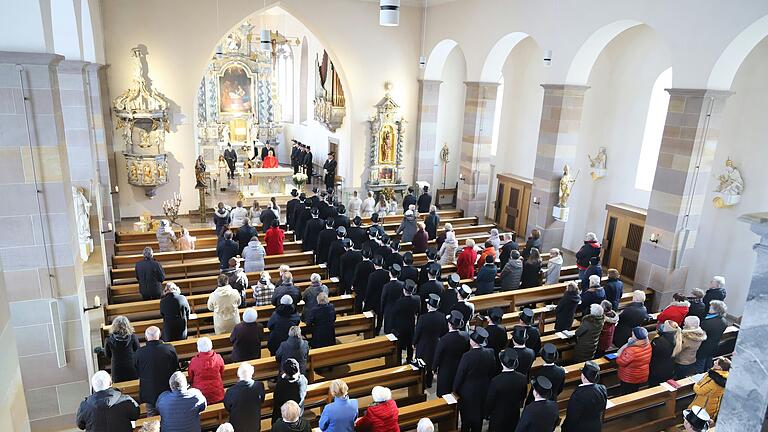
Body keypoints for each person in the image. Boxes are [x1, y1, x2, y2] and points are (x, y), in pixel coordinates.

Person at [453, 327, 496, 432]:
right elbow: (492, 370)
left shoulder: (467, 356)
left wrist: (454, 389)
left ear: (473, 342)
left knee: (466, 419)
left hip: (467, 391)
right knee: (479, 417)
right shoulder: (490, 352)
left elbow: (460, 375)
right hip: (483, 389)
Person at [134, 326, 179, 416]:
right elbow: (175, 367)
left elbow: (136, 370)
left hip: (149, 390)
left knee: (151, 416)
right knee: (168, 414)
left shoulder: (139, 352)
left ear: (146, 338)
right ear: (159, 335)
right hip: (167, 388)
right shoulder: (169, 349)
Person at [486, 348, 527, 431]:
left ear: (502, 363)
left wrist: (487, 413)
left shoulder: (496, 381)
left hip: (498, 416)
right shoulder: (522, 378)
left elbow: (490, 400)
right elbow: (523, 396)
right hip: (514, 413)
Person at [560, 361, 608, 432]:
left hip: (581, 428)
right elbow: (602, 407)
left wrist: (564, 428)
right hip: (596, 426)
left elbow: (572, 417)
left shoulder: (578, 395)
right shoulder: (602, 388)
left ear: (583, 376)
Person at [414, 294, 447, 388]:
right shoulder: (442, 317)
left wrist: (414, 342)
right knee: (431, 363)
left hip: (423, 344)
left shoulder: (423, 318)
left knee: (421, 363)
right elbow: (444, 331)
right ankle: (429, 382)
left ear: (428, 305)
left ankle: (420, 383)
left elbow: (417, 331)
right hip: (435, 343)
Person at [433, 311, 470, 396]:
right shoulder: (466, 336)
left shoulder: (444, 340)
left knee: (444, 392)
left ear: (449, 324)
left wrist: (434, 368)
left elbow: (438, 356)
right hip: (459, 366)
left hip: (445, 370)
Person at [224, 362, 265, 432]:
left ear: (238, 375)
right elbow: (262, 401)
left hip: (237, 427)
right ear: (252, 373)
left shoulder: (231, 391)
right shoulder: (259, 386)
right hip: (254, 425)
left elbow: (227, 407)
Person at [616, 326, 653, 394]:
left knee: (626, 393)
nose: (631, 336)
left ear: (636, 337)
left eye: (633, 334)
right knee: (634, 390)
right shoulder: (648, 344)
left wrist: (627, 344)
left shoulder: (631, 350)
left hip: (630, 376)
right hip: (641, 374)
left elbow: (620, 362)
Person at [102, 316, 140, 382]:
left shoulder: (108, 340)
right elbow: (138, 351)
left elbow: (108, 355)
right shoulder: (133, 337)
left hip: (117, 370)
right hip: (132, 369)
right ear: (127, 325)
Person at [188, 337, 225, 404]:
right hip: (217, 393)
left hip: (200, 396)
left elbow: (191, 377)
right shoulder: (218, 358)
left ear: (198, 348)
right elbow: (222, 371)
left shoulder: (194, 361)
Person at [392, 280, 421, 362]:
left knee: (399, 346)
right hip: (411, 325)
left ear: (404, 290)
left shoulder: (399, 302)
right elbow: (418, 311)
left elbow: (394, 313)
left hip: (400, 327)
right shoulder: (417, 299)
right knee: (409, 345)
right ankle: (409, 359)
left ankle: (398, 361)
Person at [695, 300, 728, 373]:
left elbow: (700, 334)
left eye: (711, 307)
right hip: (714, 345)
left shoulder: (708, 323)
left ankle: (698, 377)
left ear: (716, 310)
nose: (709, 308)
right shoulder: (724, 321)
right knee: (708, 363)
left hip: (704, 346)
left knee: (700, 364)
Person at [272, 359, 308, 424]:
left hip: (283, 415)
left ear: (285, 371)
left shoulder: (281, 383)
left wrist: (282, 378)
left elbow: (276, 399)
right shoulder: (303, 380)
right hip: (298, 413)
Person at [648, 320, 682, 386]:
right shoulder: (678, 338)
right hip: (670, 368)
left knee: (654, 386)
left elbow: (652, 354)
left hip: (657, 369)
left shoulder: (659, 341)